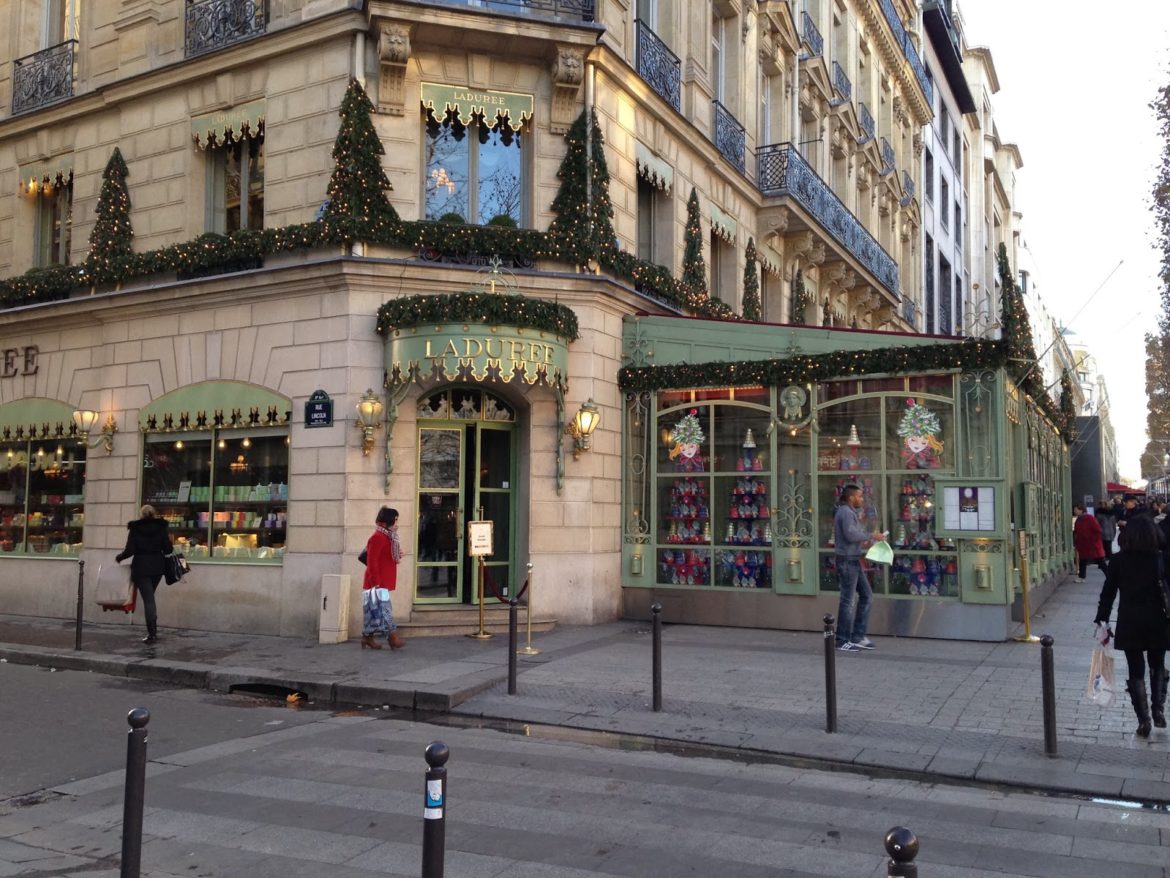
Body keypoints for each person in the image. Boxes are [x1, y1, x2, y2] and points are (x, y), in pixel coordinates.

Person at [1094, 515, 1170, 738]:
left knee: (1135, 668)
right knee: (1157, 663)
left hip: (1130, 620)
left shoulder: (1119, 561)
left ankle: (1143, 719)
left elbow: (1108, 593)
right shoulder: (1163, 559)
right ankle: (1158, 710)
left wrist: (1102, 619)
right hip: (1158, 619)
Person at [834, 484, 884, 652]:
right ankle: (842, 640)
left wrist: (868, 538)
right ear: (851, 498)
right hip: (847, 561)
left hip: (852, 559)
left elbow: (853, 535)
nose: (862, 499)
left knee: (866, 596)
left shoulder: (848, 512)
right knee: (848, 601)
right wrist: (871, 535)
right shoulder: (846, 512)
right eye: (860, 496)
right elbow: (851, 535)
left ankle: (857, 636)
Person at [115, 504, 173, 644]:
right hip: (157, 567)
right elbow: (168, 549)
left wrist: (119, 557)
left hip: (141, 567)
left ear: (141, 514)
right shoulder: (161, 527)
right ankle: (152, 631)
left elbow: (130, 550)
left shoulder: (135, 528)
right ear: (154, 513)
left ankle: (152, 633)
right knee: (150, 598)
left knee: (148, 600)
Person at [362, 506, 405, 650]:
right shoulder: (378, 537)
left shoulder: (388, 537)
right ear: (388, 520)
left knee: (371, 612)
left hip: (380, 580)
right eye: (395, 519)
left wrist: (396, 554)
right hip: (377, 581)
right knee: (385, 610)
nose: (397, 523)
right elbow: (372, 561)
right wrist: (377, 583)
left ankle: (367, 638)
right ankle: (392, 638)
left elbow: (383, 557)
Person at [1072, 504, 1107, 581]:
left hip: (1092, 544)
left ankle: (1110, 576)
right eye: (1074, 510)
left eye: (1076, 510)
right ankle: (1082, 577)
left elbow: (1098, 531)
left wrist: (1093, 539)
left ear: (1081, 510)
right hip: (1083, 544)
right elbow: (1077, 531)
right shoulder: (1078, 520)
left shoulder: (1090, 518)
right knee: (1082, 561)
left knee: (1100, 562)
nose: (1074, 511)